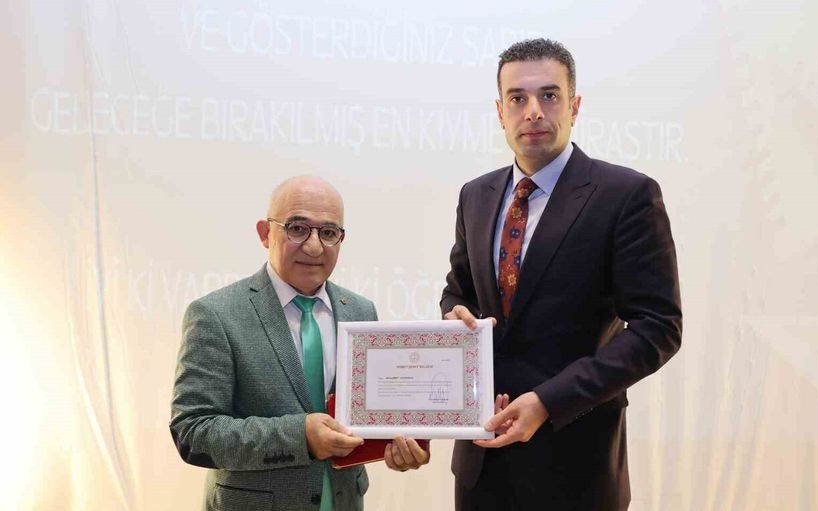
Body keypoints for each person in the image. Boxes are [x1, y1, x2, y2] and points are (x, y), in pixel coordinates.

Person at [441, 39, 682, 510]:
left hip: (576, 468)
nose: (533, 111)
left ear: (574, 105)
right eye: (517, 98)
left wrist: (549, 400)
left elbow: (659, 328)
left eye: (549, 95)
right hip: (481, 467)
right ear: (500, 111)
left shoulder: (626, 195)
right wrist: (455, 315)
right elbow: (458, 290)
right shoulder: (475, 195)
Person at [171, 176, 429, 511]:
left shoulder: (361, 312)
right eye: (297, 228)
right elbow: (193, 432)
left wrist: (400, 448)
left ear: (341, 239)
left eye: (328, 232)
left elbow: (370, 416)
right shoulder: (216, 314)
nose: (314, 247)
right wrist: (300, 436)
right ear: (265, 233)